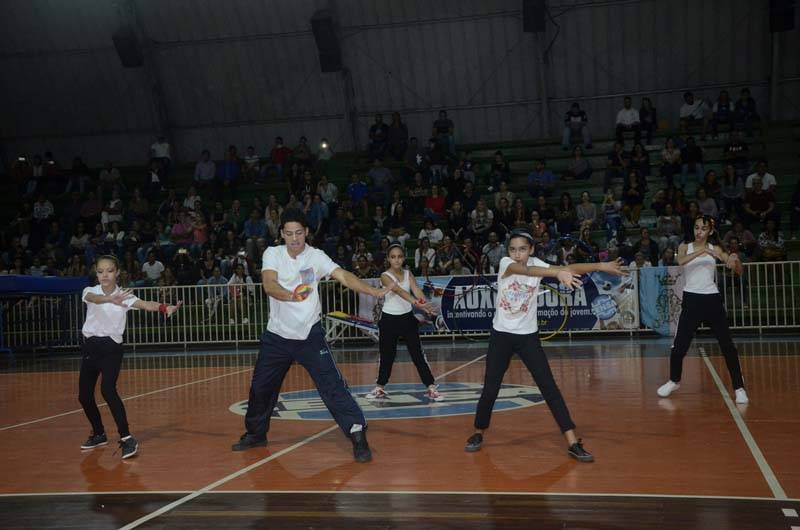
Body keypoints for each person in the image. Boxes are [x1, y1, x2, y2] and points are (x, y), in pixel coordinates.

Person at [232, 209, 391, 463]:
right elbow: (269, 284)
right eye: (289, 233)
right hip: (277, 337)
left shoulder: (316, 257)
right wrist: (290, 296)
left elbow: (343, 276)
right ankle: (255, 434)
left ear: (306, 232)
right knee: (261, 387)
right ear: (281, 234)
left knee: (332, 385)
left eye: (298, 233)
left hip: (309, 335)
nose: (294, 238)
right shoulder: (272, 253)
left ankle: (357, 434)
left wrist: (373, 291)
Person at [464, 229, 626, 461]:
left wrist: (600, 266)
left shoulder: (537, 263)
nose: (517, 253)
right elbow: (528, 271)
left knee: (549, 388)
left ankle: (572, 442)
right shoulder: (507, 264)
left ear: (531, 249)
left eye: (522, 249)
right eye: (513, 249)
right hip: (501, 336)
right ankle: (478, 432)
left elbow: (570, 268)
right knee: (491, 388)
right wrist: (558, 273)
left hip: (528, 337)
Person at [79, 255, 182, 458]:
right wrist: (110, 299)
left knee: (108, 390)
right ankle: (99, 433)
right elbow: (94, 299)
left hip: (111, 348)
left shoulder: (124, 296)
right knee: (84, 396)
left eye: (109, 271)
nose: (104, 275)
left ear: (117, 272)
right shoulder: (90, 291)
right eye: (100, 271)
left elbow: (146, 304)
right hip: (90, 348)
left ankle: (127, 438)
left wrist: (165, 307)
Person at [657, 215, 748, 404]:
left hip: (712, 299)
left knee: (727, 346)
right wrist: (703, 251)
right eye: (697, 227)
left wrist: (734, 259)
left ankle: (739, 388)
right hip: (691, 299)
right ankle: (674, 381)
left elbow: (737, 270)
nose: (699, 231)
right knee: (679, 346)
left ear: (710, 231)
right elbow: (681, 261)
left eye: (703, 228)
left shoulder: (716, 249)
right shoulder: (685, 247)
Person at [366, 244, 441, 400]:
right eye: (393, 257)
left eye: (399, 256)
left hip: (407, 319)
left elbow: (416, 290)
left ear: (404, 258)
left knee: (417, 355)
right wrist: (417, 304)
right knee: (387, 356)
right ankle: (380, 387)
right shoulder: (385, 276)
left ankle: (431, 387)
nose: (397, 260)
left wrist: (425, 304)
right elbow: (399, 291)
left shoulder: (408, 273)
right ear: (388, 259)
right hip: (388, 320)